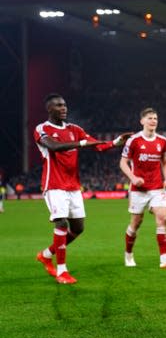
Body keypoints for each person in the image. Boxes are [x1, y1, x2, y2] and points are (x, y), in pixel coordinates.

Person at [34, 93, 131, 284]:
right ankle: (62, 271)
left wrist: (117, 141)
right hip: (54, 184)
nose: (64, 108)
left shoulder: (74, 129)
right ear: (49, 109)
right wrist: (81, 143)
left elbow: (96, 146)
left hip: (73, 185)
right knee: (61, 224)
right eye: (59, 106)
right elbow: (53, 147)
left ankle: (46, 254)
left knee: (78, 228)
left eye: (65, 105)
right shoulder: (42, 128)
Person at [119, 107, 166, 268]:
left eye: (155, 118)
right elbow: (123, 163)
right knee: (136, 223)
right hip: (138, 190)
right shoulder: (133, 140)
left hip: (156, 187)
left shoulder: (162, 141)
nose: (153, 120)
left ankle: (164, 258)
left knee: (163, 218)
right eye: (150, 118)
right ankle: (128, 254)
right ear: (142, 121)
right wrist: (133, 178)